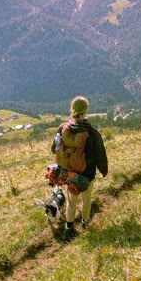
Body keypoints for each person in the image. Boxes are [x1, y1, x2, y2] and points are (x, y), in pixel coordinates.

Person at [51, 96, 108, 241]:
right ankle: (85, 224)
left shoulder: (63, 129)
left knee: (71, 202)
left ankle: (68, 230)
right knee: (87, 200)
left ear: (72, 109)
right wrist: (103, 170)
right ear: (86, 110)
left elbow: (54, 149)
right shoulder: (93, 133)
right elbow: (100, 154)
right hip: (87, 174)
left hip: (68, 173)